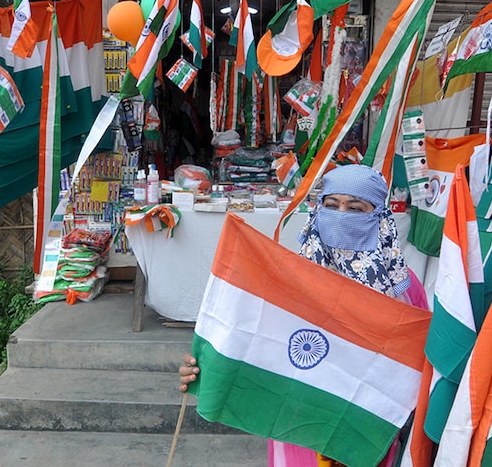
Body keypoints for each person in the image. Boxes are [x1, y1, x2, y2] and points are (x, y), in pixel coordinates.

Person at [178, 164, 427, 464]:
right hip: (300, 427)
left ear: (379, 219)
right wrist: (210, 361)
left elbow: (418, 368)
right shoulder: (293, 282)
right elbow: (260, 337)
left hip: (366, 432)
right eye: (332, 205)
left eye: (356, 208)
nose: (341, 216)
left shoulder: (404, 288)